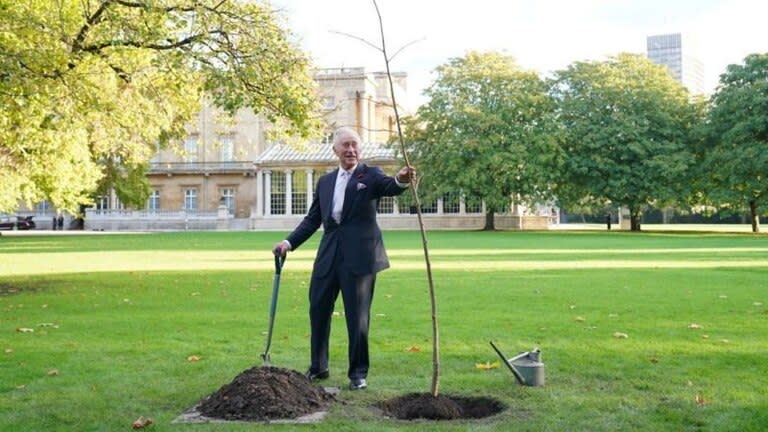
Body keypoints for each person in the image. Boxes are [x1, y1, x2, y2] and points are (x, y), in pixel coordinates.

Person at [272, 127, 415, 391]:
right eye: (345, 146)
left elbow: (390, 187)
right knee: (318, 308)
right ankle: (318, 366)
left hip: (360, 258)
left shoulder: (370, 175)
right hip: (328, 255)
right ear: (335, 150)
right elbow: (313, 219)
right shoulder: (325, 182)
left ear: (360, 150)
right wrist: (288, 242)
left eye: (354, 145)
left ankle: (358, 373)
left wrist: (402, 179)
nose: (350, 150)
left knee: (357, 316)